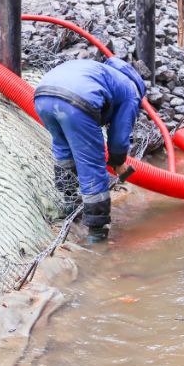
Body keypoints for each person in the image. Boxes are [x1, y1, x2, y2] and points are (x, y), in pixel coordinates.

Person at [33, 56, 148, 242]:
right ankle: (97, 234)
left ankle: (70, 204)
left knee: (64, 150)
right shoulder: (131, 91)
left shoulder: (101, 72)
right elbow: (119, 137)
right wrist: (118, 161)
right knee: (91, 165)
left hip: (42, 96)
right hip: (78, 102)